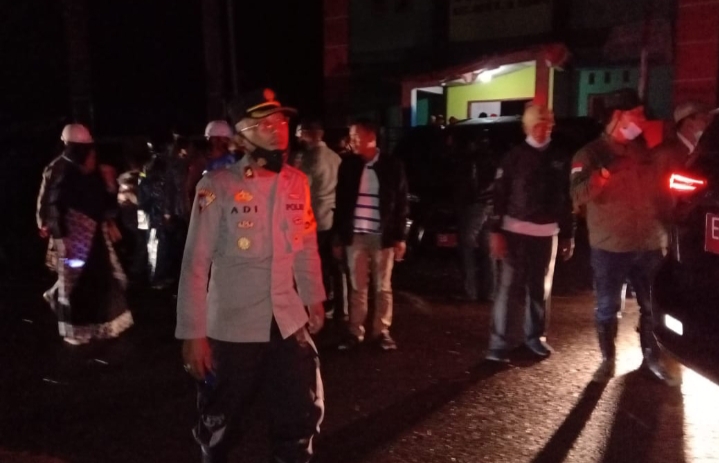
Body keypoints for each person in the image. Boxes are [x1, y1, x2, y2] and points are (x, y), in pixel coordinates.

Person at [176, 88, 325, 463]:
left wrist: (314, 296)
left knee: (299, 412)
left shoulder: (297, 182)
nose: (277, 129)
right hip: (233, 327)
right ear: (241, 137)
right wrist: (194, 334)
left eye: (280, 121)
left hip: (287, 321)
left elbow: (306, 245)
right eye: (264, 124)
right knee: (221, 421)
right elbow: (195, 263)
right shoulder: (217, 186)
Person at [570, 89, 678, 385]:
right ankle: (608, 360)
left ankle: (652, 358)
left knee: (652, 305)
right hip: (611, 246)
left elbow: (659, 190)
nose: (642, 121)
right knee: (607, 306)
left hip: (649, 242)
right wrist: (605, 173)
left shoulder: (644, 150)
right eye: (637, 115)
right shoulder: (590, 154)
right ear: (618, 115)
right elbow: (578, 194)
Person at [485, 105, 575, 363]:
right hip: (514, 232)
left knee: (539, 288)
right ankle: (499, 343)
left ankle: (534, 337)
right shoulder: (513, 157)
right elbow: (498, 196)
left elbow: (567, 199)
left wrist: (568, 234)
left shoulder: (560, 158)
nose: (542, 129)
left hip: (546, 234)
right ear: (526, 127)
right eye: (536, 124)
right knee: (508, 289)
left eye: (547, 124)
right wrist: (495, 231)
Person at [44, 124, 133, 345]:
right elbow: (53, 207)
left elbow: (106, 206)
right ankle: (77, 330)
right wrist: (60, 236)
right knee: (75, 287)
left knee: (100, 283)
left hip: (94, 241)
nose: (92, 156)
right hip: (74, 242)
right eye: (88, 152)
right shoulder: (63, 174)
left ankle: (99, 327)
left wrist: (110, 189)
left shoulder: (96, 176)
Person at [333, 119, 409, 351]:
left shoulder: (392, 165)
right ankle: (355, 331)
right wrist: (339, 237)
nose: (352, 141)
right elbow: (341, 203)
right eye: (351, 136)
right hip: (355, 235)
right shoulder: (348, 165)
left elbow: (401, 202)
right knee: (357, 286)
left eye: (356, 136)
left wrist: (400, 237)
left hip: (382, 236)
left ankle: (381, 331)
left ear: (371, 137)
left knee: (382, 286)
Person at [294, 118, 345, 320]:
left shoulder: (308, 159)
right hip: (333, 216)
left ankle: (322, 305)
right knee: (336, 266)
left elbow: (300, 188)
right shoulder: (335, 157)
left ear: (309, 134)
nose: (298, 137)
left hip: (315, 219)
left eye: (300, 133)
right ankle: (341, 307)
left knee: (318, 265)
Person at [451, 132, 497, 302]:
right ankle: (490, 292)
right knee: (487, 250)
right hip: (490, 206)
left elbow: (471, 185)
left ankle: (470, 290)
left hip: (474, 206)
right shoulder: (492, 159)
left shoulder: (470, 161)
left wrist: (465, 200)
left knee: (467, 247)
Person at [654, 101, 713, 174]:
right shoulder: (664, 154)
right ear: (689, 124)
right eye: (705, 120)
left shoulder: (707, 154)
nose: (709, 125)